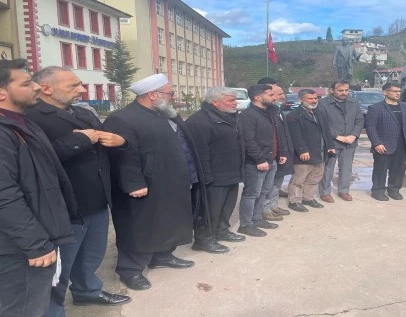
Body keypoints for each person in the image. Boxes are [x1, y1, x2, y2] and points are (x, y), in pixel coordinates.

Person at [26, 67, 131, 314]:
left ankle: (87, 291)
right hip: (65, 206)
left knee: (91, 255)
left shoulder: (83, 113)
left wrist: (121, 142)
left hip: (96, 199)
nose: (82, 90)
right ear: (46, 89)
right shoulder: (32, 117)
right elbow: (38, 160)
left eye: (80, 84)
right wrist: (79, 140)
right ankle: (53, 309)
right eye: (72, 86)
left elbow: (103, 145)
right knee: (60, 268)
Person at [103, 74, 214, 291]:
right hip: (145, 184)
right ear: (152, 95)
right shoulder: (123, 118)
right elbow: (121, 155)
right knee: (139, 226)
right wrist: (133, 183)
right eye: (169, 93)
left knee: (167, 221)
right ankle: (130, 270)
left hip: (171, 181)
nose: (173, 97)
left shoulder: (164, 114)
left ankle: (162, 255)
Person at [0, 59, 80, 316]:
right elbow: (4, 194)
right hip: (18, 248)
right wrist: (35, 244)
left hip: (37, 237)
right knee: (24, 308)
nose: (35, 87)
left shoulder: (22, 123)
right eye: (26, 83)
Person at [186, 87, 246, 251]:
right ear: (215, 102)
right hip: (213, 176)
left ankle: (222, 230)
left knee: (226, 206)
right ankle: (203, 239)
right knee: (209, 210)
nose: (235, 103)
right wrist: (205, 177)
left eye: (235, 99)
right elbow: (200, 153)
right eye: (230, 100)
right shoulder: (199, 121)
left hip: (231, 172)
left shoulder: (229, 117)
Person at [237, 84, 283, 236]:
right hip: (256, 163)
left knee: (264, 192)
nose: (274, 97)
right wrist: (259, 159)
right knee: (251, 193)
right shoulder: (248, 115)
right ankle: (245, 224)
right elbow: (248, 140)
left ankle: (257, 219)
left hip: (271, 159)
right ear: (257, 97)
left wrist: (278, 154)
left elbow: (273, 136)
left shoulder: (267, 113)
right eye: (270, 95)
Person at [365, 83, 406, 201]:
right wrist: (376, 143)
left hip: (403, 145)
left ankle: (394, 190)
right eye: (394, 91)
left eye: (399, 91)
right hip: (383, 145)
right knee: (380, 170)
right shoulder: (375, 108)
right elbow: (370, 127)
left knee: (398, 170)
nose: (397, 93)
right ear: (385, 92)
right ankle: (377, 191)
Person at [286, 89, 335, 212]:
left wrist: (330, 146)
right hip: (304, 154)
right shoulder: (294, 116)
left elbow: (326, 131)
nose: (314, 101)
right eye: (310, 98)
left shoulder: (319, 113)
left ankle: (308, 198)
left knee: (315, 177)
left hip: (320, 152)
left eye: (315, 98)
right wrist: (302, 150)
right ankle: (294, 201)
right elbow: (295, 136)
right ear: (301, 100)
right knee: (298, 179)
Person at [317, 80, 364, 202]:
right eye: (340, 90)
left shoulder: (353, 102)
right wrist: (337, 136)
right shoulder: (323, 104)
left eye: (346, 90)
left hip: (350, 142)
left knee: (347, 168)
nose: (344, 93)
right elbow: (322, 123)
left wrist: (353, 135)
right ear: (332, 90)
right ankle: (325, 192)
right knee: (328, 168)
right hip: (331, 142)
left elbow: (359, 120)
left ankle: (344, 191)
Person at [258, 78, 293, 221]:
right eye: (277, 94)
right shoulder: (263, 111)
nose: (281, 96)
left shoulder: (276, 109)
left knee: (277, 182)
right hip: (268, 155)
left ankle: (273, 205)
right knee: (267, 185)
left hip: (280, 153)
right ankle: (265, 209)